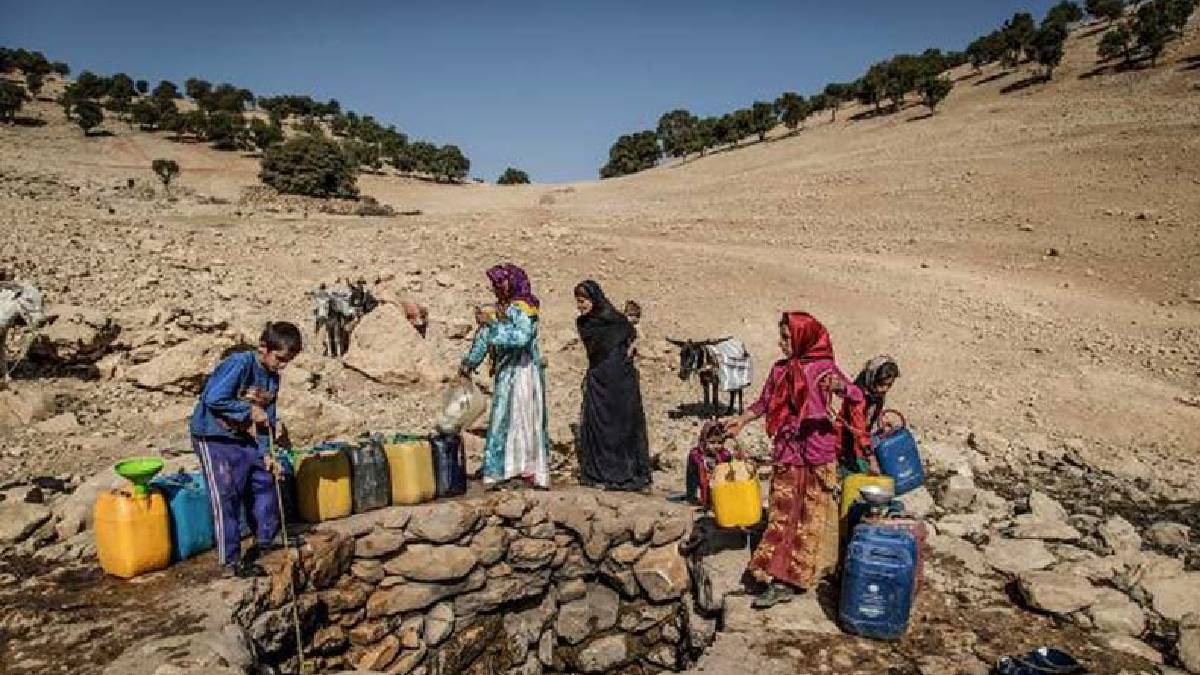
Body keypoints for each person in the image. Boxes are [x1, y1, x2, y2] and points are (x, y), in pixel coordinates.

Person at [723, 312, 864, 608]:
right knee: (782, 512)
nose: (781, 343)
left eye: (787, 338)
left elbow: (855, 394)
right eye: (782, 337)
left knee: (810, 516)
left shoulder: (824, 369)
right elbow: (764, 401)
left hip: (817, 452)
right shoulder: (779, 371)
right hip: (788, 450)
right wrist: (742, 420)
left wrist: (839, 389)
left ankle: (793, 579)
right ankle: (775, 574)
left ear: (803, 338)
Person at [189, 321, 301, 578]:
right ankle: (230, 561)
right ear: (264, 348)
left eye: (288, 361)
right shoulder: (240, 364)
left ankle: (265, 539)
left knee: (265, 478)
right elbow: (213, 398)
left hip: (241, 435)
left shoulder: (273, 378)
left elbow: (267, 416)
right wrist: (248, 410)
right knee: (226, 493)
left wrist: (267, 451)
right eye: (280, 359)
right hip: (213, 435)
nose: (283, 366)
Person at [459, 264, 550, 489]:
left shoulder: (524, 308)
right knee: (503, 419)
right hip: (506, 373)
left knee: (521, 418)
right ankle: (503, 470)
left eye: (500, 284)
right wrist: (469, 363)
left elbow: (522, 338)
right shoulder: (499, 308)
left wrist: (494, 325)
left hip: (523, 372)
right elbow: (484, 337)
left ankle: (524, 469)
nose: (496, 289)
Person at [574, 281, 652, 491]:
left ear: (594, 299)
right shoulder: (584, 324)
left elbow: (629, 335)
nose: (580, 306)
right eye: (578, 302)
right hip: (599, 379)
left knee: (622, 424)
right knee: (599, 426)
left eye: (583, 301)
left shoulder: (616, 320)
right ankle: (600, 473)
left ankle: (625, 474)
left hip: (621, 381)